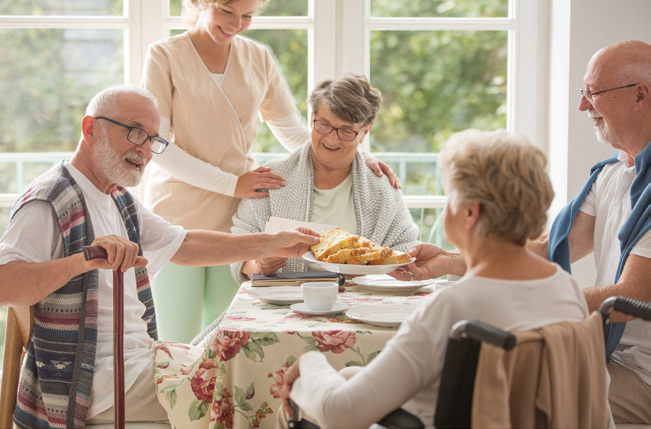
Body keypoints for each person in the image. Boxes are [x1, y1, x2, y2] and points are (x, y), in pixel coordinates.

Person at [0, 85, 320, 428]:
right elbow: (6, 285)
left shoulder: (117, 198)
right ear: (90, 128)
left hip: (142, 361)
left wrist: (270, 244)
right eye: (136, 133)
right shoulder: (50, 198)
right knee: (257, 393)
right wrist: (83, 260)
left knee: (267, 371)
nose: (145, 150)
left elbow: (184, 245)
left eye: (153, 140)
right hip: (98, 382)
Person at [400, 41, 651, 425]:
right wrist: (450, 263)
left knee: (486, 394)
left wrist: (519, 298)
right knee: (460, 381)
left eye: (592, 93)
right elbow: (549, 248)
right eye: (582, 93)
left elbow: (632, 296)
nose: (583, 106)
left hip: (642, 374)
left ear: (639, 96)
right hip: (604, 354)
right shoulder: (614, 173)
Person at [278, 129, 598, 428]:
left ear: (470, 213)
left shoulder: (454, 306)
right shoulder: (565, 287)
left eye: (450, 197)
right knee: (348, 375)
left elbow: (341, 414)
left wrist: (309, 361)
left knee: (304, 393)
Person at [140, 0, 400, 338]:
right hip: (178, 212)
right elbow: (156, 144)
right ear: (201, 3)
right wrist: (232, 183)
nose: (236, 24)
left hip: (234, 217)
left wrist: (358, 157)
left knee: (225, 337)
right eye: (227, 12)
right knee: (176, 337)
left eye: (247, 16)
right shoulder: (164, 55)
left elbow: (291, 129)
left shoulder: (258, 57)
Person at [230, 74, 419, 282]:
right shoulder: (269, 180)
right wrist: (260, 265)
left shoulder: (381, 188)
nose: (332, 138)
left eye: (346, 130)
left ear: (364, 132)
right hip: (283, 305)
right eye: (324, 124)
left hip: (359, 305)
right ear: (312, 118)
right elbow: (239, 251)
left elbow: (406, 252)